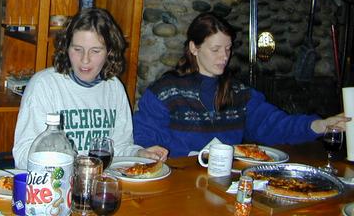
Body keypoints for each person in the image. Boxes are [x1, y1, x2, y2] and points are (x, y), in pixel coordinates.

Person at [133, 12, 351, 157]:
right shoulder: (165, 92)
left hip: (228, 184)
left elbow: (275, 124)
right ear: (194, 48)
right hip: (177, 182)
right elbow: (143, 136)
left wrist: (321, 126)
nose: (224, 57)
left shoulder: (239, 93)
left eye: (228, 49)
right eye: (215, 49)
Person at [13, 8, 168, 169]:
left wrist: (139, 154)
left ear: (109, 51)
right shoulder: (44, 85)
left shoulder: (114, 87)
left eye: (95, 51)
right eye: (77, 49)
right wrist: (66, 159)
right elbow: (22, 157)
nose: (85, 60)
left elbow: (119, 148)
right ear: (66, 48)